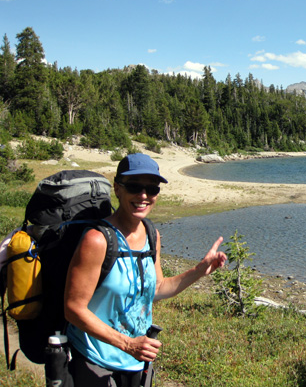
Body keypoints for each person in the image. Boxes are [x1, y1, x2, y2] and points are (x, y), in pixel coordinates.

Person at [64, 153, 227, 386]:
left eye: (152, 189)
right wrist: (127, 344)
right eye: (134, 187)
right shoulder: (97, 240)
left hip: (136, 362)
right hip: (95, 360)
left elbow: (158, 288)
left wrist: (199, 270)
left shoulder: (152, 236)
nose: (143, 196)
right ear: (117, 188)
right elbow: (73, 309)